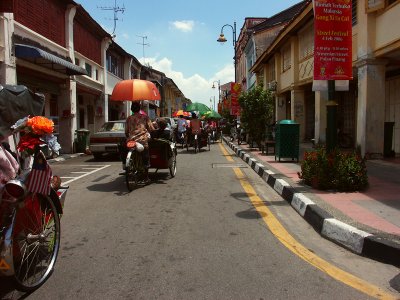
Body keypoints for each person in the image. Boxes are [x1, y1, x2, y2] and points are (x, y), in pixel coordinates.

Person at [125, 102, 155, 183]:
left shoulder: (129, 118)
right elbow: (151, 129)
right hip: (142, 140)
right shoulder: (145, 117)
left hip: (131, 140)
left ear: (131, 109)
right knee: (146, 157)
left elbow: (126, 131)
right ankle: (146, 177)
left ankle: (128, 166)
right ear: (139, 109)